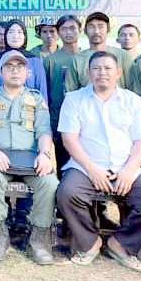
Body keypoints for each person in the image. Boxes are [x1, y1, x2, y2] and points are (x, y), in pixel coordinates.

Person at [55, 51, 141, 271]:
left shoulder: (133, 101)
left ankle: (121, 244)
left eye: (107, 68)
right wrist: (92, 169)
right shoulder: (74, 99)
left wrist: (129, 170)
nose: (102, 73)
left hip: (126, 166)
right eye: (96, 68)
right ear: (88, 73)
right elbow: (69, 139)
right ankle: (90, 242)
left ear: (119, 73)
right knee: (67, 194)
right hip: (86, 165)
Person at [0, 50, 58, 265]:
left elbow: (44, 132)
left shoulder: (36, 98)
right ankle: (0, 234)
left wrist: (44, 154)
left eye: (19, 67)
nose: (15, 71)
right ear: (0, 72)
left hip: (31, 161)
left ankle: (37, 239)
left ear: (27, 72)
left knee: (49, 183)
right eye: (9, 67)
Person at [42, 15, 83, 168]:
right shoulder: (50, 60)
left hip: (84, 119)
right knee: (62, 162)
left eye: (72, 28)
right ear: (58, 33)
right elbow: (44, 92)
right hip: (58, 118)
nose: (68, 33)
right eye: (64, 29)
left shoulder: (87, 57)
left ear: (80, 30)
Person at [0, 20, 47, 95]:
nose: (15, 36)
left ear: (25, 36)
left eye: (19, 32)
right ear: (5, 35)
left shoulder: (35, 61)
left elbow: (42, 94)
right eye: (11, 32)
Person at [72, 12, 129, 89]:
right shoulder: (77, 59)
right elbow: (71, 91)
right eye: (91, 27)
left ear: (108, 29)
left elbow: (133, 88)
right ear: (85, 31)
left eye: (101, 26)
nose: (96, 31)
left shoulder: (123, 55)